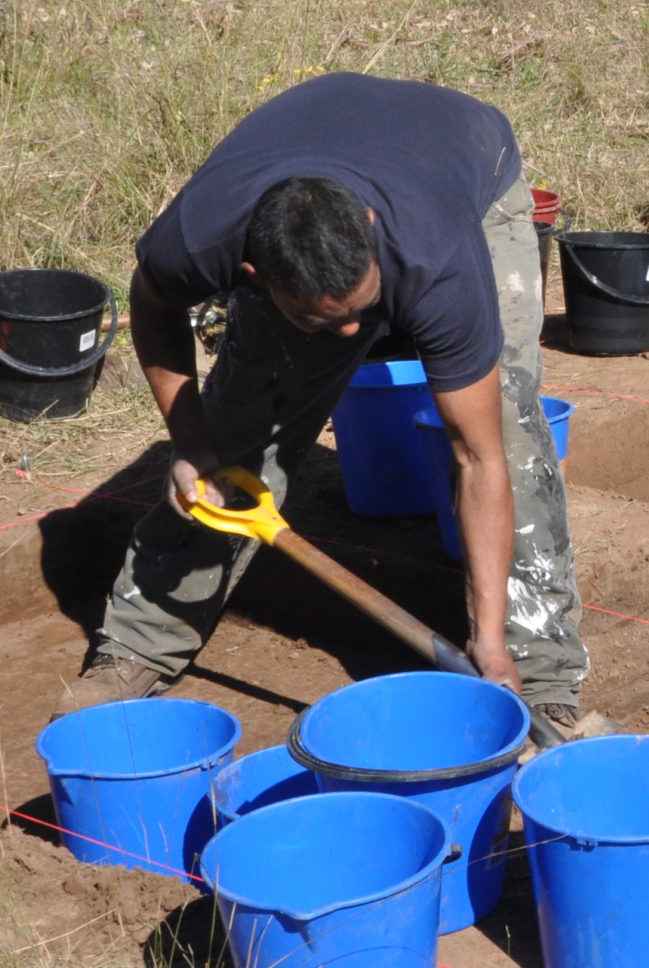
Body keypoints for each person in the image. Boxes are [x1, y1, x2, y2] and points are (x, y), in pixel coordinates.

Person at [63, 72, 603, 745]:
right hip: (321, 167)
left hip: (468, 167)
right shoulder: (200, 238)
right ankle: (139, 646)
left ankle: (535, 677)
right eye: (327, 320)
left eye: (362, 311)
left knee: (511, 430)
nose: (356, 337)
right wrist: (190, 442)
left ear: (371, 232)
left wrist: (485, 636)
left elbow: (478, 453)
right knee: (233, 443)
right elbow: (154, 305)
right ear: (252, 280)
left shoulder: (438, 261)